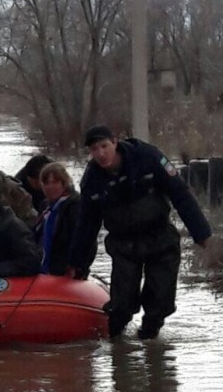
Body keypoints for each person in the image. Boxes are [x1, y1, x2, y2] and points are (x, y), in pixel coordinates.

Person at [69, 125, 212, 339]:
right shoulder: (92, 180)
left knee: (159, 302)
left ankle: (150, 342)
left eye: (104, 146)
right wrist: (77, 263)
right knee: (121, 306)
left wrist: (200, 233)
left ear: (114, 142)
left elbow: (180, 193)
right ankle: (117, 348)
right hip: (123, 244)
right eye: (94, 149)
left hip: (160, 237)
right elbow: (87, 225)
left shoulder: (148, 157)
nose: (101, 154)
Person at [36, 161, 91, 277]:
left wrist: (78, 267)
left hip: (66, 271)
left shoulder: (75, 207)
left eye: (55, 182)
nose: (50, 187)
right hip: (45, 270)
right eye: (46, 183)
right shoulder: (45, 207)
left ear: (64, 183)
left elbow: (86, 240)